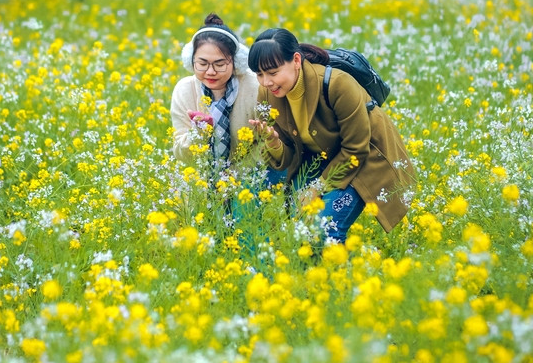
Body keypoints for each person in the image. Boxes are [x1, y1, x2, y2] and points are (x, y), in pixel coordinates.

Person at [248, 28, 415, 243]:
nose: (266, 82)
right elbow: (289, 154)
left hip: (365, 158)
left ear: (296, 60)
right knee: (301, 225)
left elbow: (356, 149)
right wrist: (274, 143)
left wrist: (317, 188)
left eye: (273, 73)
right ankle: (310, 273)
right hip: (322, 156)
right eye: (259, 74)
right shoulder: (268, 94)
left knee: (325, 228)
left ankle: (334, 275)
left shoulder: (337, 83)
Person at [170, 14, 259, 169]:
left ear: (237, 62)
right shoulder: (184, 90)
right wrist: (198, 133)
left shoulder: (254, 86)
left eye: (220, 64)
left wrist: (235, 178)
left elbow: (266, 145)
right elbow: (179, 154)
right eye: (202, 63)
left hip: (249, 176)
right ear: (191, 61)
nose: (210, 72)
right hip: (202, 179)